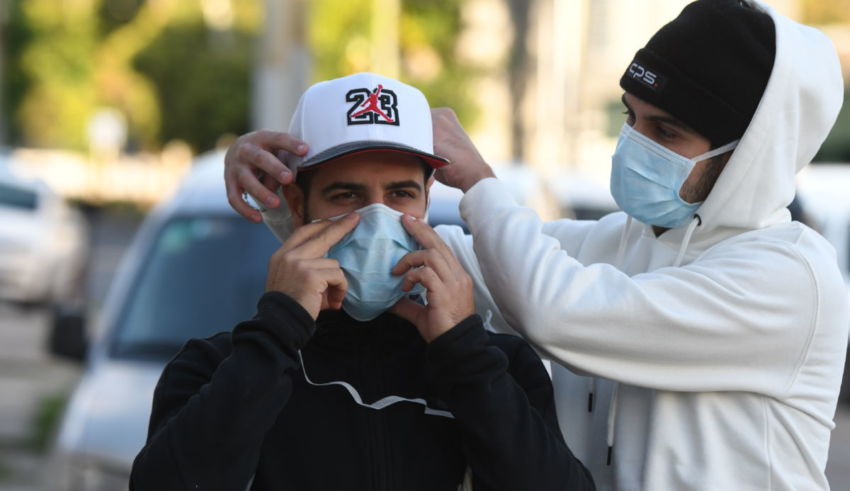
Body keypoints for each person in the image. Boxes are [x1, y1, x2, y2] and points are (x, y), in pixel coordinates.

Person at [223, 2, 850, 490]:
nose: (635, 143)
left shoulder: (791, 279)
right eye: (630, 117)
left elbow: (559, 310)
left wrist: (479, 182)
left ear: (749, 154)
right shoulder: (621, 244)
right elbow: (412, 258)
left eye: (666, 131)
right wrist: (283, 193)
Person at [131, 73, 594, 491]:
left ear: (426, 199)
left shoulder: (500, 366)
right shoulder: (216, 366)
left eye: (400, 194)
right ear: (299, 206)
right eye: (346, 195)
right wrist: (277, 331)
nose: (377, 220)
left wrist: (464, 353)